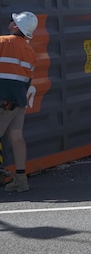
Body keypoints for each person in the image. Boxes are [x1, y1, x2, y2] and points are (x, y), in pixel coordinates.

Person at [0, 11, 38, 193]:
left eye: (12, 21)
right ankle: (21, 180)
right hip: (18, 101)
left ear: (16, 26)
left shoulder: (2, 42)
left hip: (3, 100)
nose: (10, 22)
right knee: (17, 137)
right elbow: (26, 80)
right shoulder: (30, 51)